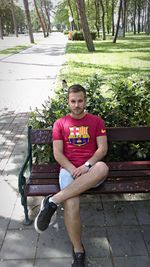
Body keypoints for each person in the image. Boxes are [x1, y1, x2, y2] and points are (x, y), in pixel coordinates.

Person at [34, 84, 109, 267]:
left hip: (90, 170)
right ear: (68, 102)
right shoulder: (60, 124)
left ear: (85, 101)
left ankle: (52, 201)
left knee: (103, 167)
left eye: (80, 101)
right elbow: (58, 154)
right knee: (72, 202)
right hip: (68, 170)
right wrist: (72, 168)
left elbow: (102, 149)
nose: (77, 105)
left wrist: (85, 166)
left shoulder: (96, 121)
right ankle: (78, 251)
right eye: (73, 101)